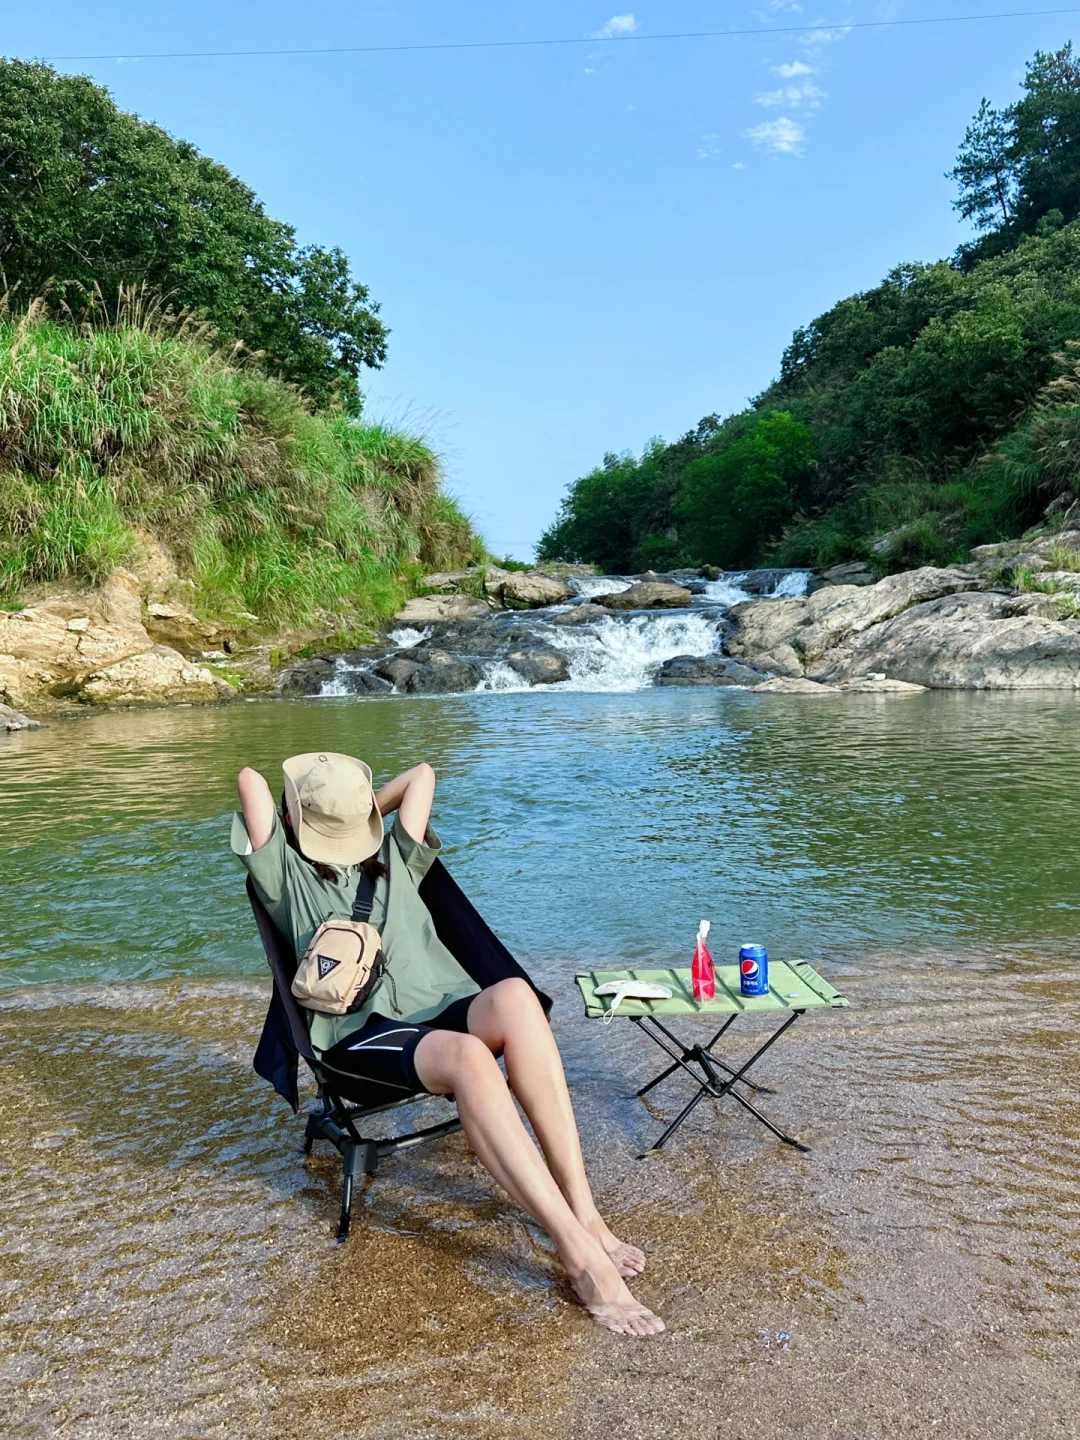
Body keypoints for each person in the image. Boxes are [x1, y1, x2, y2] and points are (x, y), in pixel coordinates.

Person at [232, 751, 664, 1337]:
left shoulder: (392, 858)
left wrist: (346, 819)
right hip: (361, 1035)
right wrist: (348, 818)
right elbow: (248, 784)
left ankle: (586, 1213)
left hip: (437, 1010)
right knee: (469, 1057)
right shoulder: (285, 876)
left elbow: (422, 775)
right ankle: (578, 1256)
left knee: (514, 994)